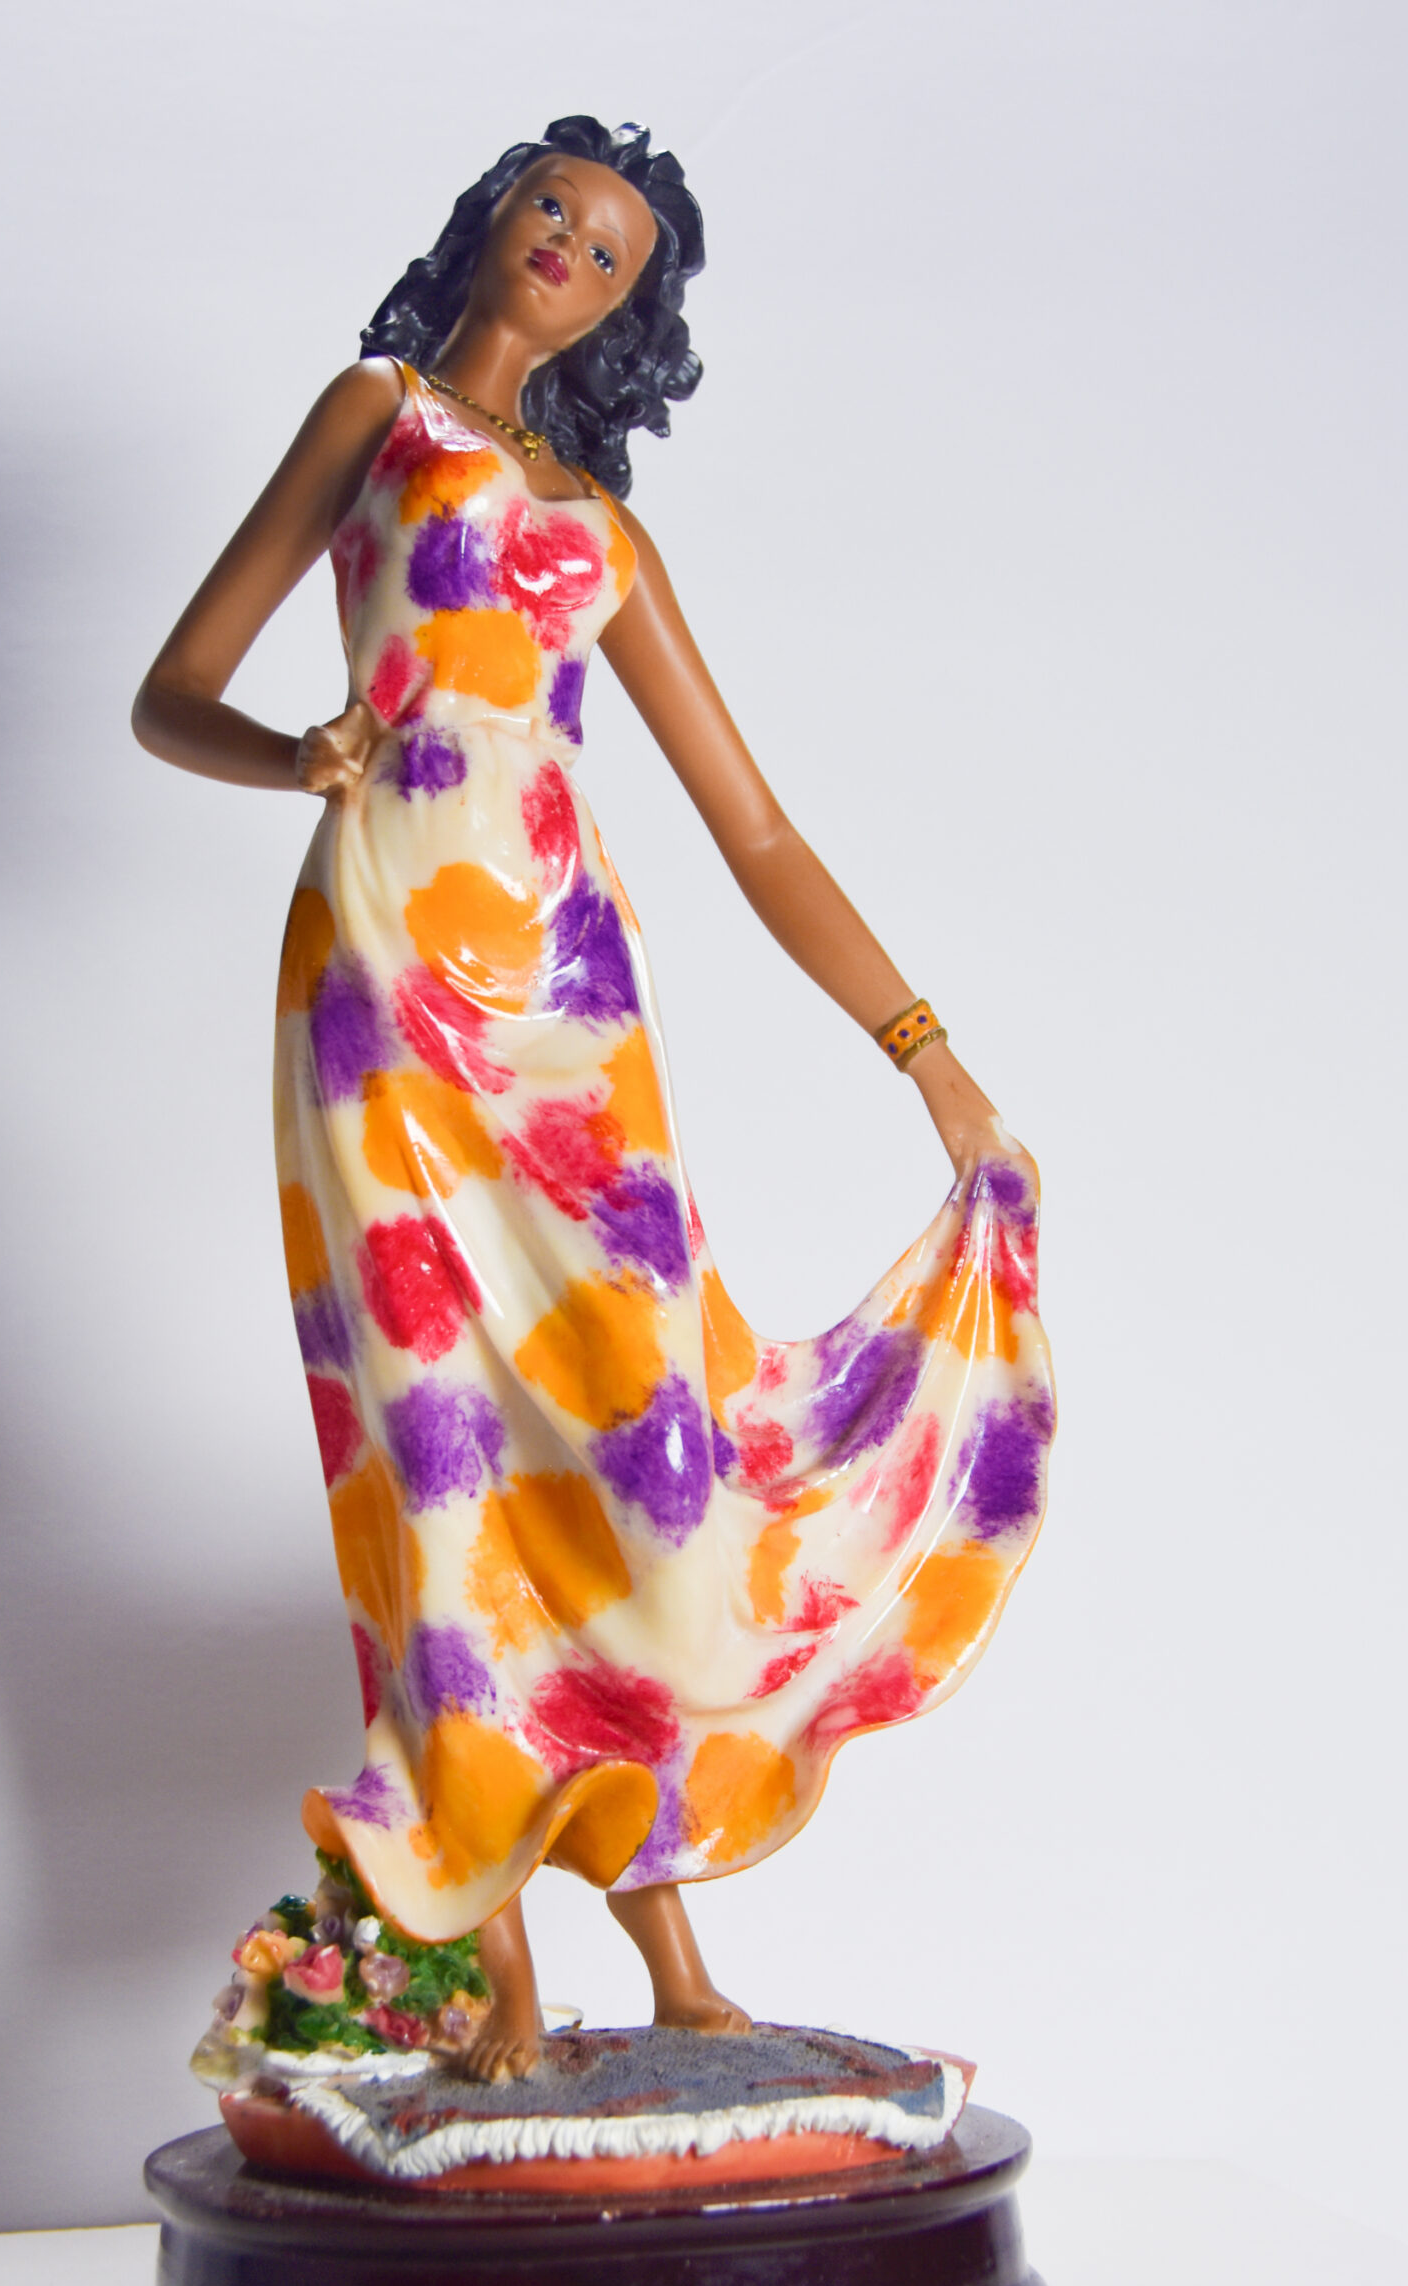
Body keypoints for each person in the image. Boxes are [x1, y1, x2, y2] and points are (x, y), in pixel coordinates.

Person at [134, 117, 1052, 2083]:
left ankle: (674, 1954)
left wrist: (932, 1056)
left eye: (612, 247)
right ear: (491, 218)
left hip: (574, 1009)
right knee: (442, 1454)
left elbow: (758, 830)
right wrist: (290, 751)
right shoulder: (372, 413)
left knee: (649, 1447)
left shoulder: (606, 533)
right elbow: (171, 690)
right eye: (551, 204)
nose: (568, 241)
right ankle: (495, 1977)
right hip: (385, 986)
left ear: (628, 313)